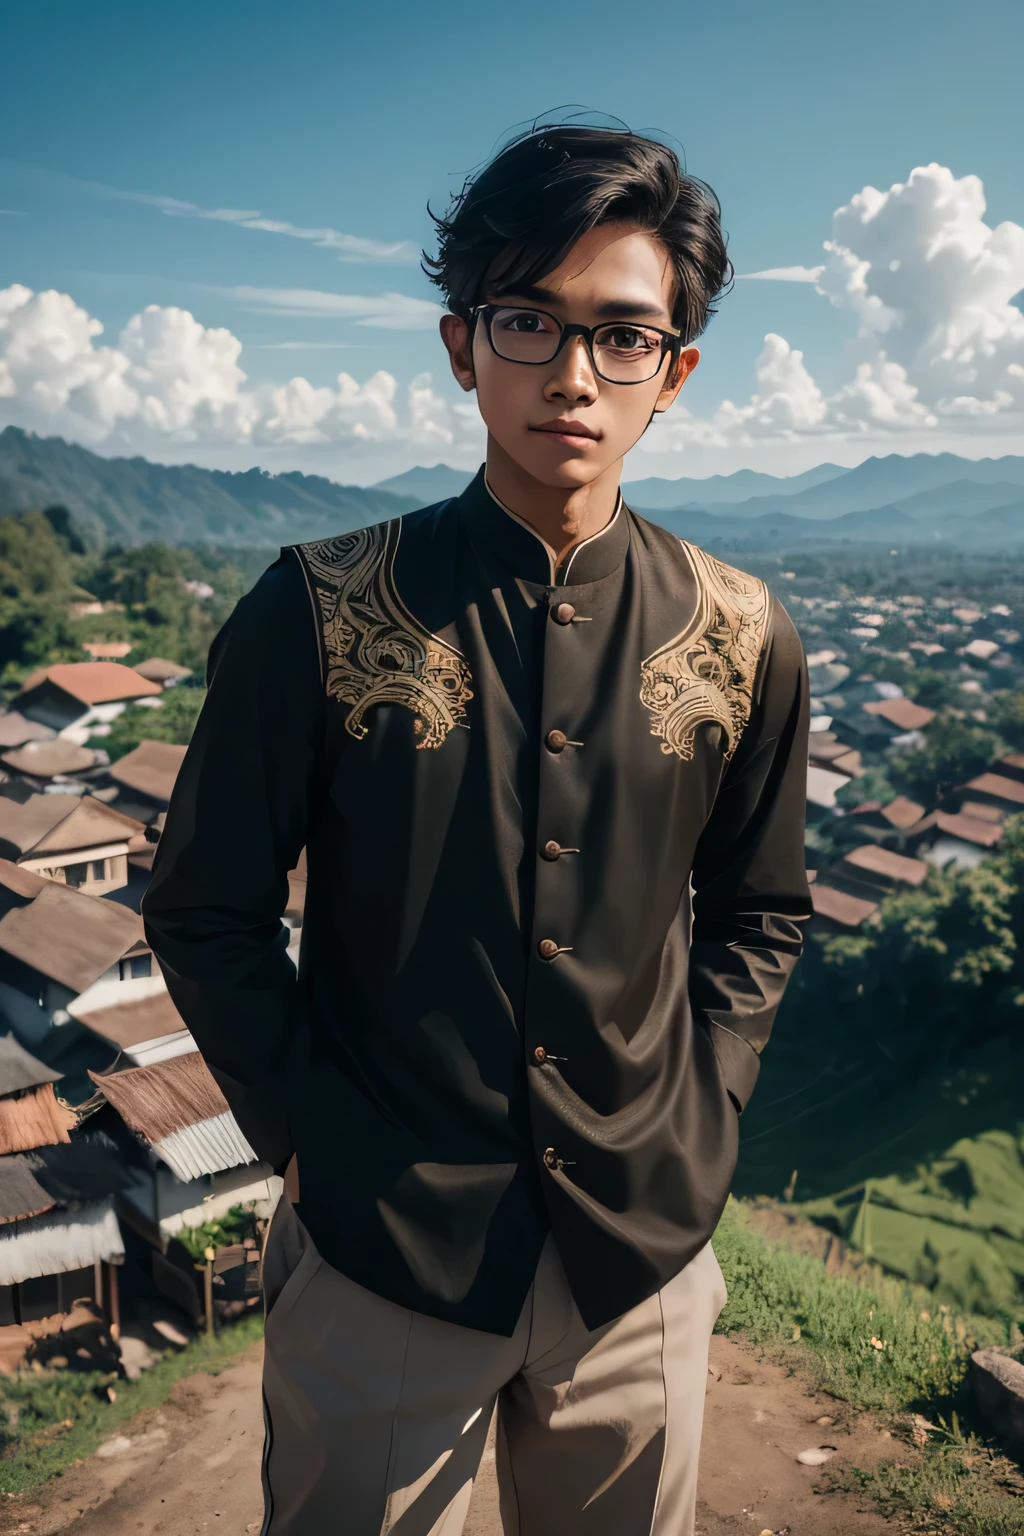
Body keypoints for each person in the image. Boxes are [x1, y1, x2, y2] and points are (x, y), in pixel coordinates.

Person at [143, 121, 811, 1536]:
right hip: (381, 1252)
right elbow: (206, 907)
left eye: (624, 335)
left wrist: (707, 1118)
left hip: (639, 1257)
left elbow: (760, 912)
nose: (574, 373)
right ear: (464, 347)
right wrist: (312, 1141)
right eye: (531, 321)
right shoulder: (317, 612)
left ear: (676, 372)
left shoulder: (744, 636)